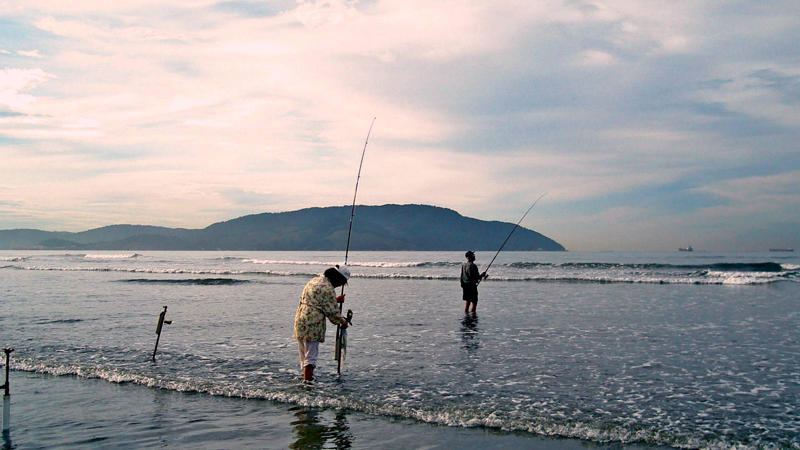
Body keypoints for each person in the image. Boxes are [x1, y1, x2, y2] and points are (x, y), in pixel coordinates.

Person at [293, 264, 351, 383]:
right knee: (311, 357)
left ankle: (305, 379)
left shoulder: (314, 281)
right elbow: (333, 313)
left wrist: (335, 300)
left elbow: (317, 300)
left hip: (300, 320)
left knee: (304, 355)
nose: (339, 286)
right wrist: (343, 322)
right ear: (337, 278)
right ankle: (308, 384)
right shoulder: (328, 289)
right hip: (312, 324)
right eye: (340, 283)